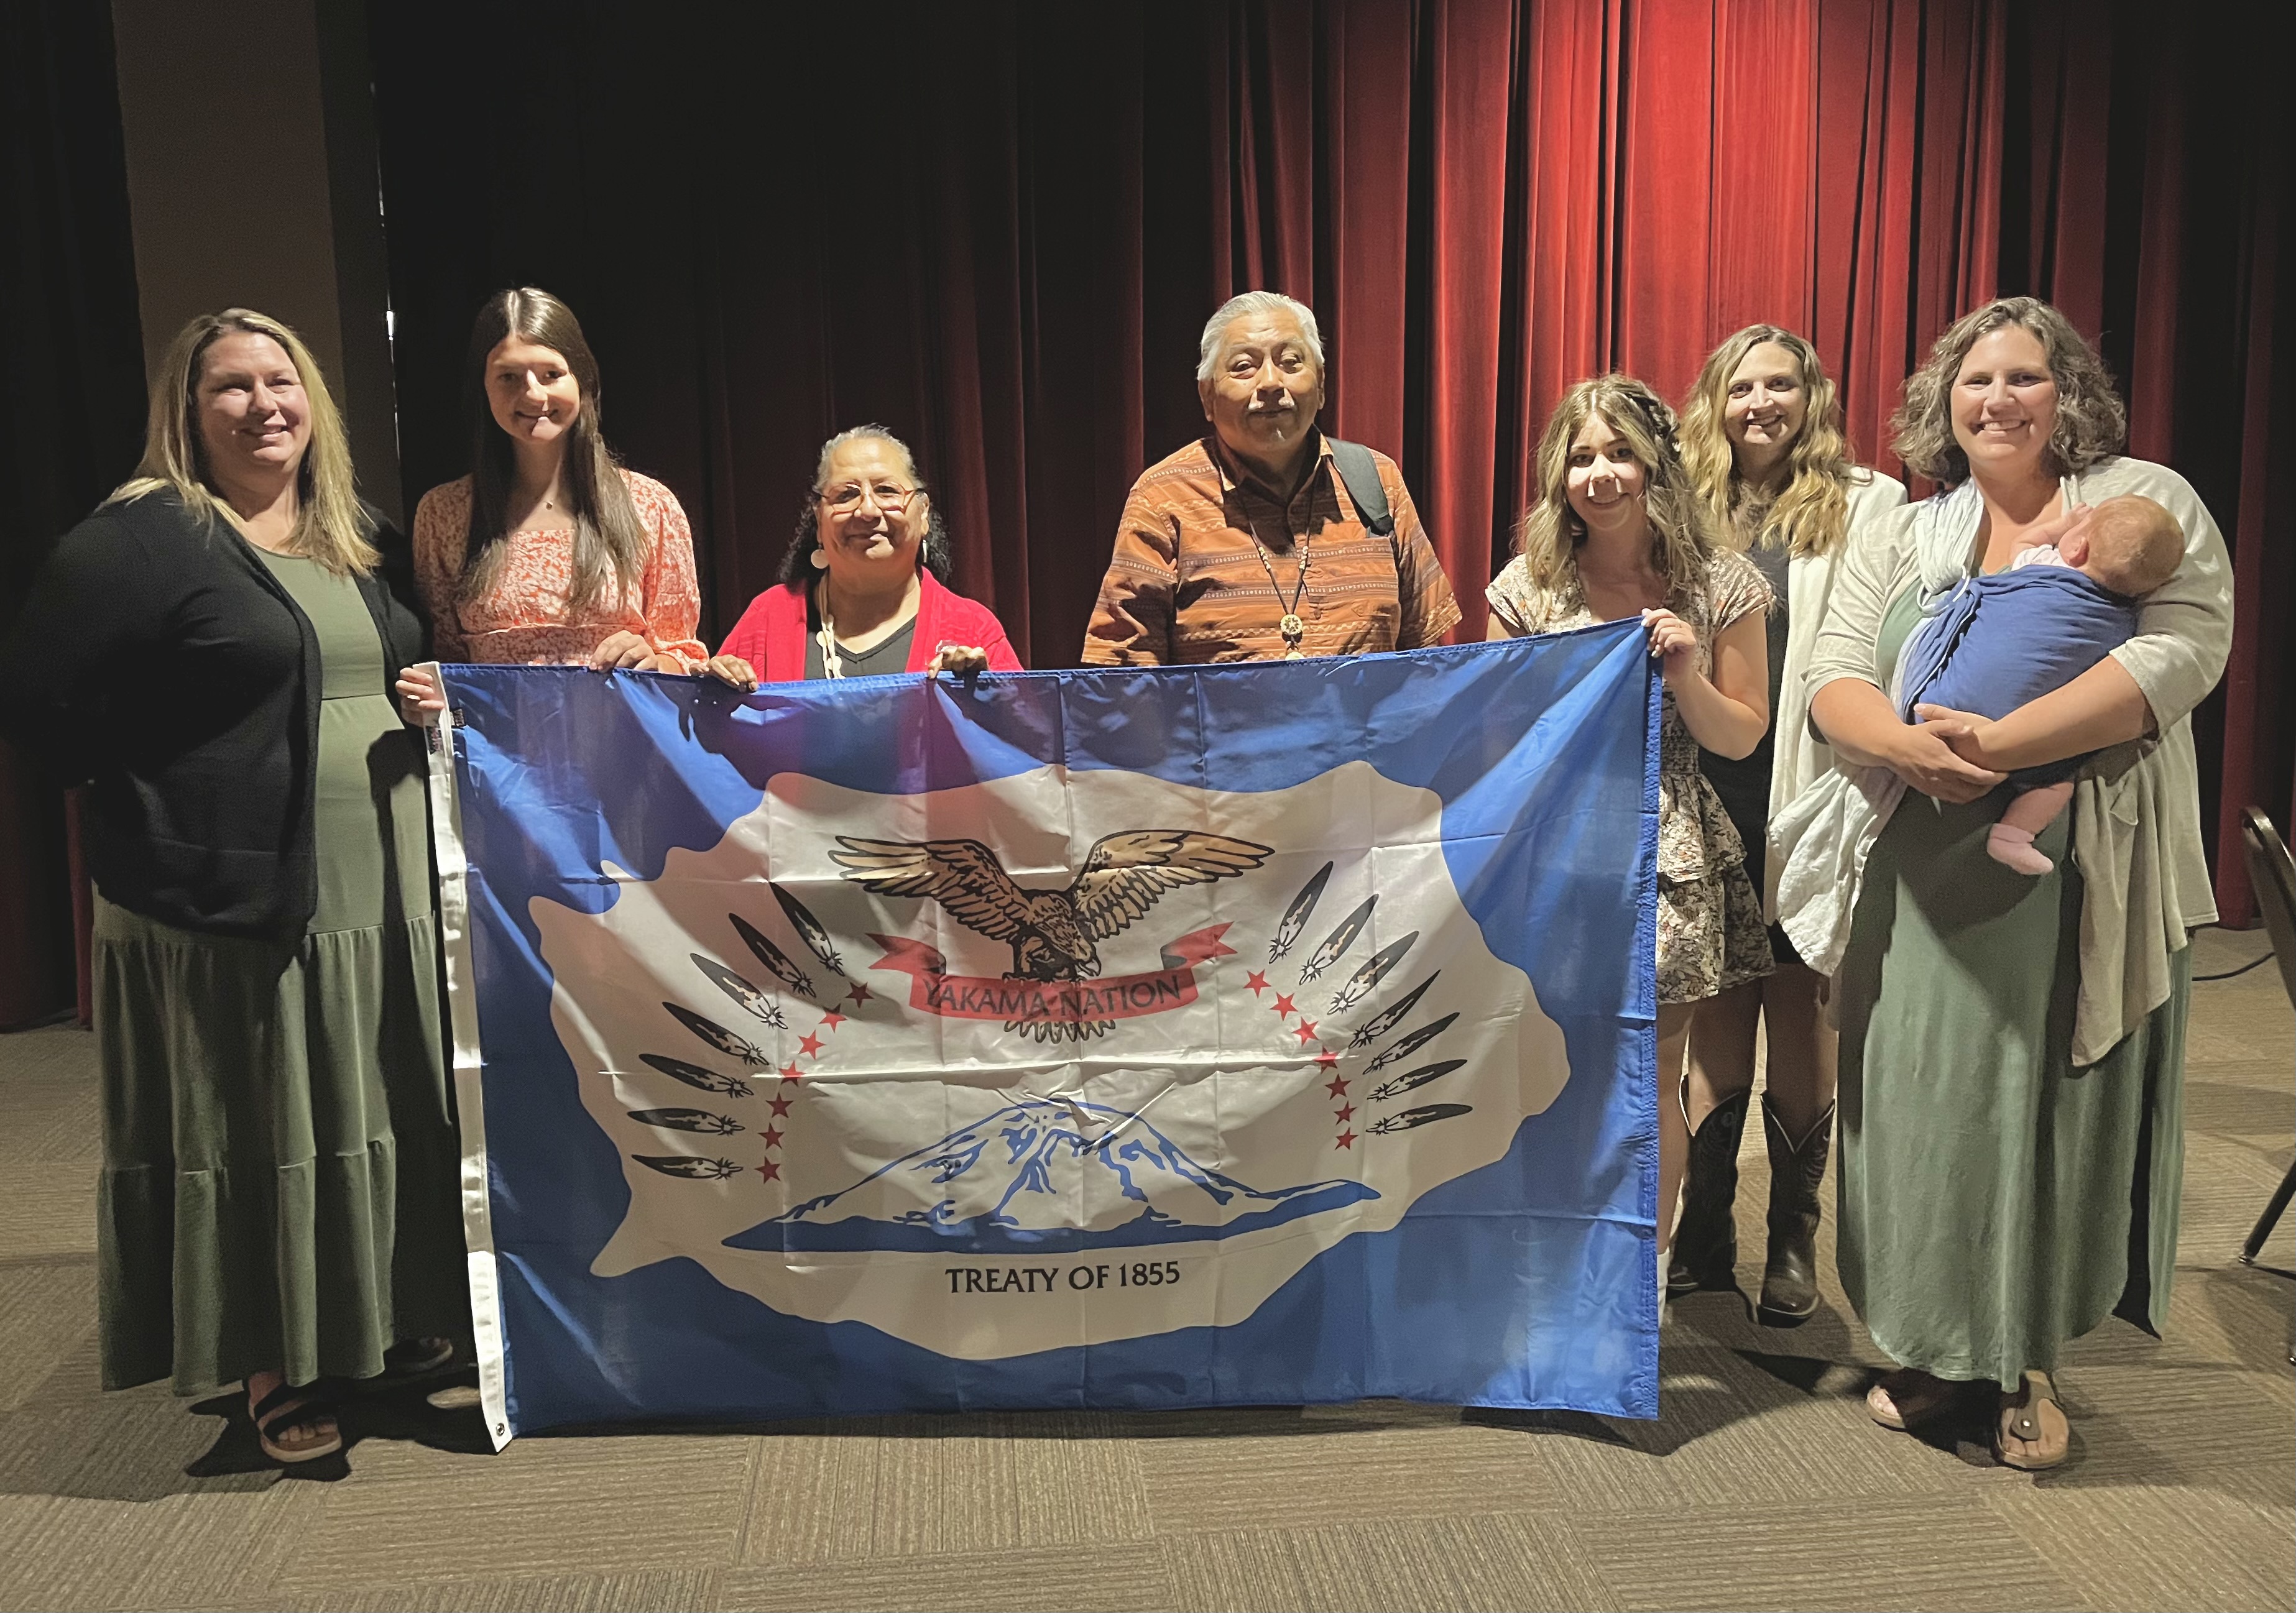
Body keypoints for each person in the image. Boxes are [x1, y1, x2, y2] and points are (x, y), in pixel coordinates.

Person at [0, 311, 466, 1464]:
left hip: (384, 881)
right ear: (187, 411)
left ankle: (383, 1329)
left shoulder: (354, 530)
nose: (265, 406)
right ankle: (272, 1363)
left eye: (283, 381)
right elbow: (38, 703)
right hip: (242, 896)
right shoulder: (147, 539)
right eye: (232, 387)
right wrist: (148, 794)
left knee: (381, 1105)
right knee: (269, 1124)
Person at [1795, 296, 2231, 1469]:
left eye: (2025, 379)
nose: (1997, 400)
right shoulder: (1903, 525)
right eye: (1975, 380)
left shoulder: (2145, 500)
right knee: (1913, 1111)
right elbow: (1833, 668)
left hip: (2069, 860)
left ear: (2067, 397)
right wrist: (1900, 749)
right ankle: (1929, 1342)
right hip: (1916, 853)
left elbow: (2179, 652)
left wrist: (1999, 748)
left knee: (2031, 1106)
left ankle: (2022, 1353)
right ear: (1943, 401)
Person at [1485, 374, 1774, 1268]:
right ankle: (1556, 1272)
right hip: (1560, 855)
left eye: (1621, 454)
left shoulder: (1721, 582)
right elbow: (1498, 739)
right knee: (1557, 1073)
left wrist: (1687, 672)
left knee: (1648, 1075)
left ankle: (1635, 1287)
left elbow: (1741, 732)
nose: (1601, 474)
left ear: (1658, 467)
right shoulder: (1525, 590)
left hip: (1669, 848)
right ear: (1556, 475)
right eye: (1581, 457)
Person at [1669, 326, 1906, 1325]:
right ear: (1713, 401)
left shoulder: (1868, 502)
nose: (1759, 403)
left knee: (1800, 1012)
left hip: (1810, 786)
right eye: (1740, 386)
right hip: (1706, 784)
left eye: (1779, 385)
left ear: (1812, 395)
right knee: (1716, 1008)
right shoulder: (1677, 501)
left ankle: (1792, 1239)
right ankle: (1708, 1230)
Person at [1081, 290, 1459, 664]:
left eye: (1291, 362)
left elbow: (1426, 656)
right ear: (1207, 397)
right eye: (1244, 366)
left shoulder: (1377, 481)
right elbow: (1125, 672)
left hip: (1366, 728)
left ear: (1323, 385)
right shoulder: (1162, 498)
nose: (1271, 383)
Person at [397, 287, 711, 718]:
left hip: (624, 758)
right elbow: (445, 662)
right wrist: (429, 700)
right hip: (502, 766)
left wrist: (658, 663)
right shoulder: (444, 513)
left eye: (550, 374)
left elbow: (684, 652)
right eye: (508, 377)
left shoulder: (650, 506)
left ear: (582, 380)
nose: (532, 395)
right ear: (484, 388)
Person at [1902, 494, 2185, 874]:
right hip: (2036, 747)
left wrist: (2063, 525)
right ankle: (2013, 836)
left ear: (2076, 546)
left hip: (1938, 710)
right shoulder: (2126, 620)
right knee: (2057, 784)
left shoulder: (2042, 564)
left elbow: (2025, 542)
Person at [705, 426, 1020, 687]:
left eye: (886, 491)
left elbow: (1027, 743)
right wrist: (707, 698)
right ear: (819, 520)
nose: (867, 510)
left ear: (923, 513)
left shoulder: (973, 629)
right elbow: (714, 746)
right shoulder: (768, 618)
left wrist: (989, 698)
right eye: (846, 495)